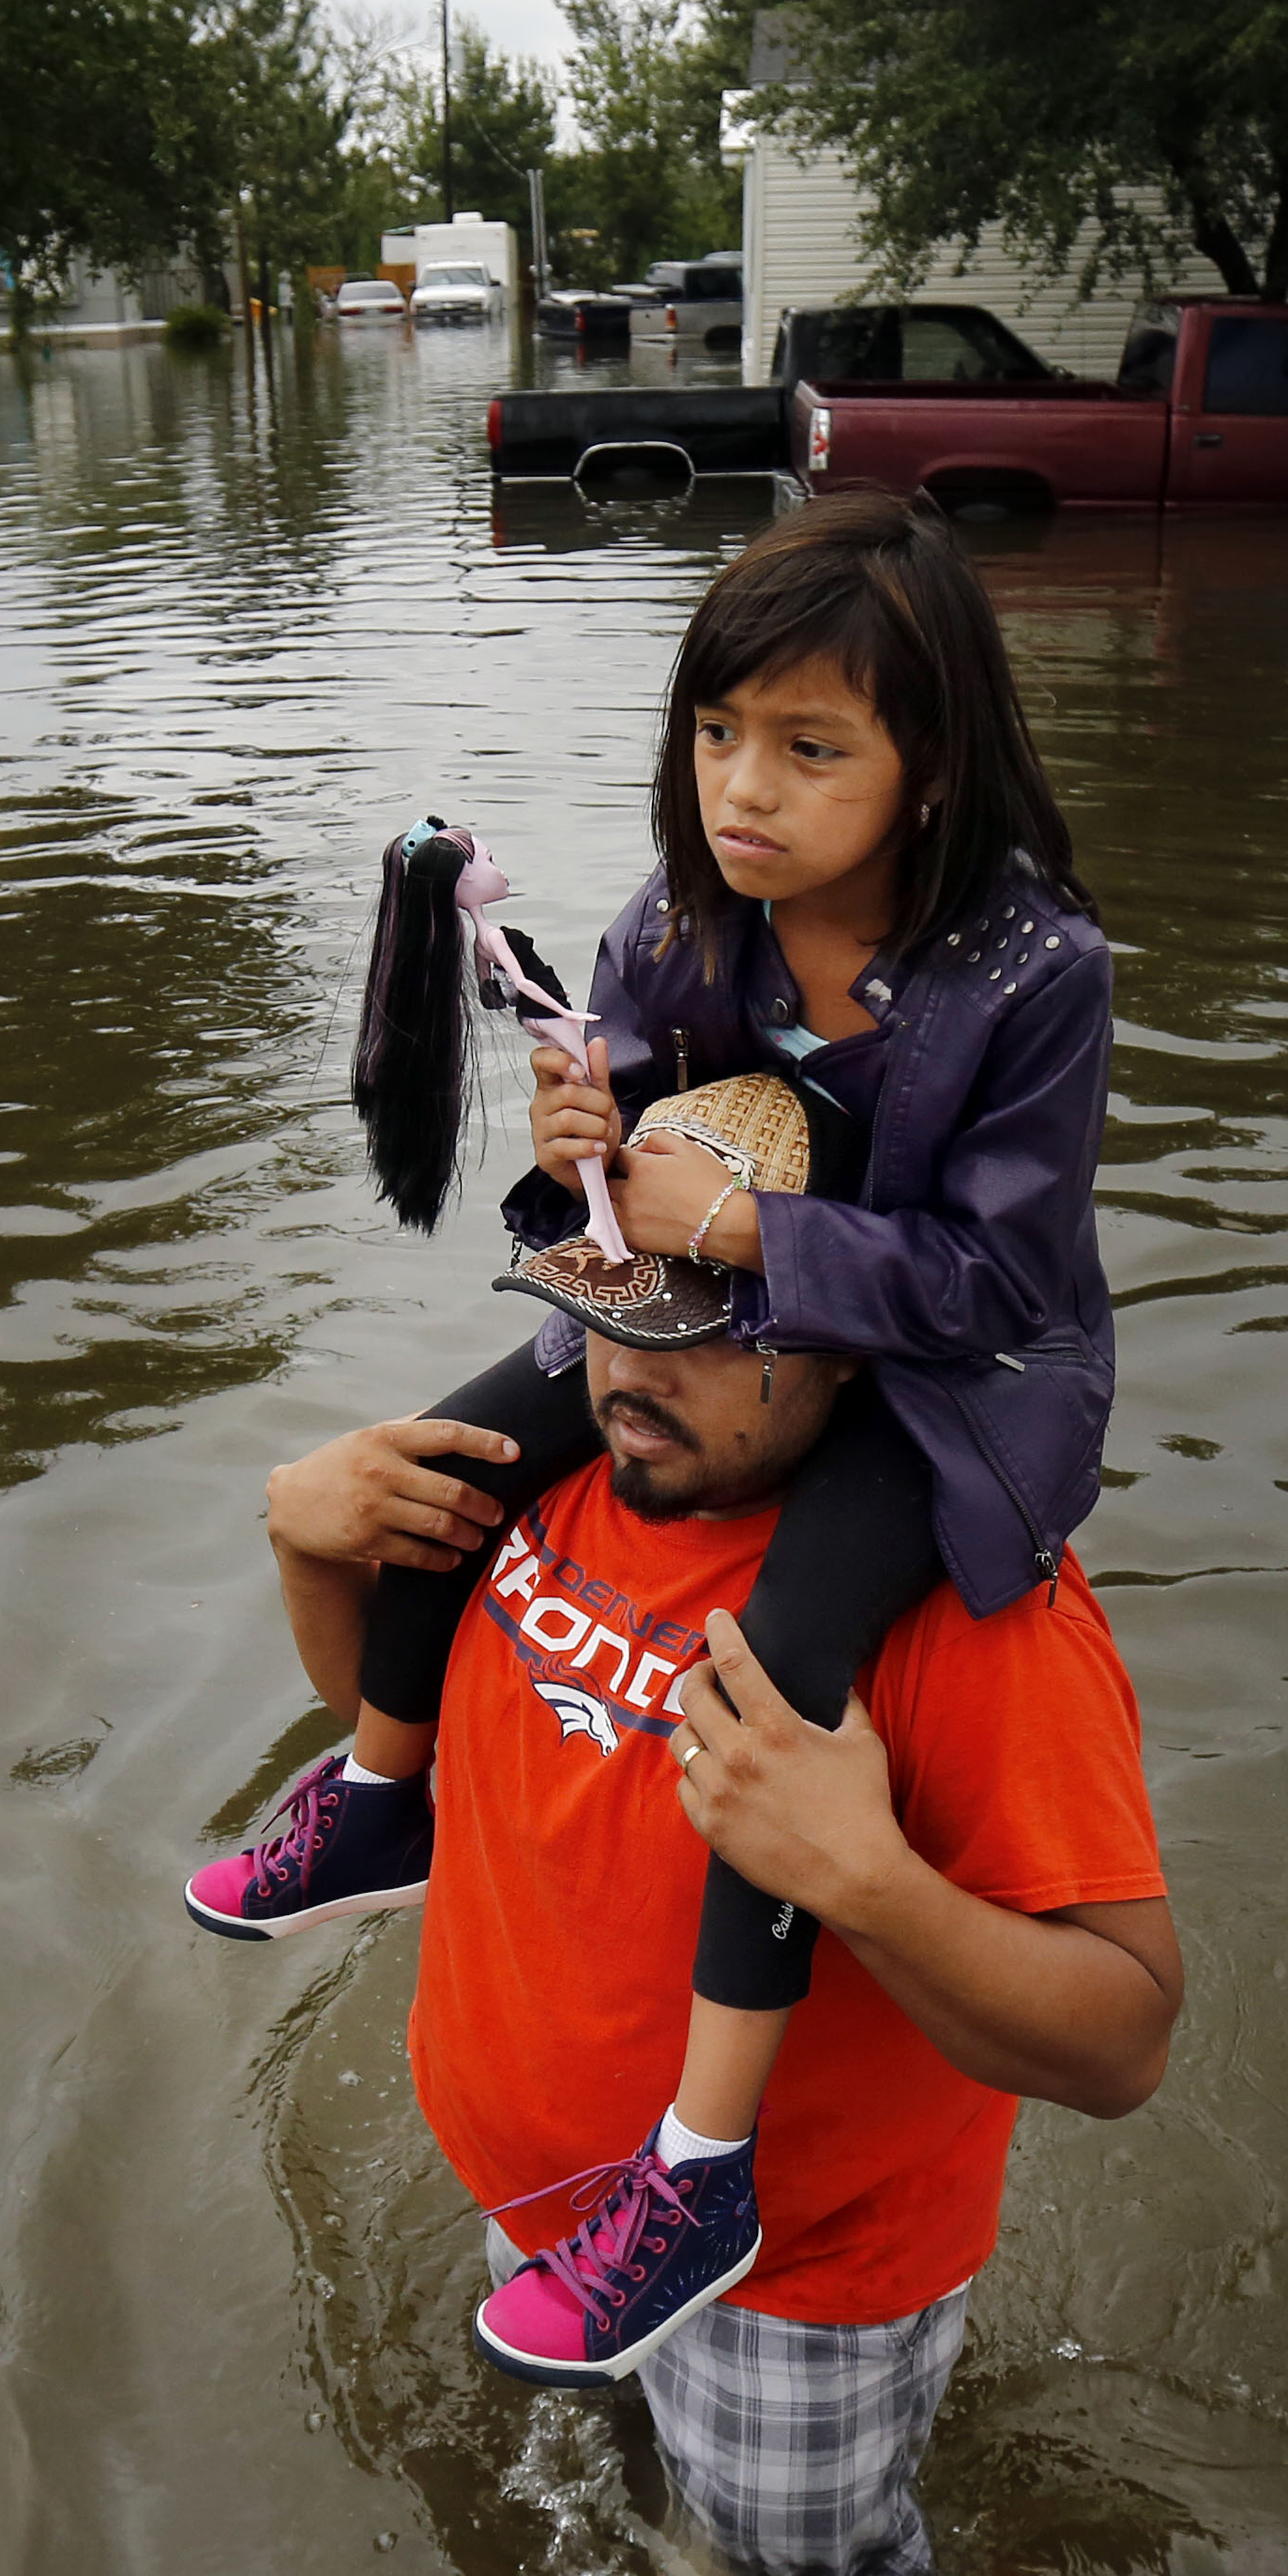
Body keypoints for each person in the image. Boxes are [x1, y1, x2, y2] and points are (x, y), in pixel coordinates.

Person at [189, 493, 1119, 2387]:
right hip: (696, 1318)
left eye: (808, 746)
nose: (743, 790)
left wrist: (751, 1230)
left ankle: (699, 2166)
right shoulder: (680, 920)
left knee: (772, 1689)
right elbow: (611, 1216)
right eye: (716, 735)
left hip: (928, 1383)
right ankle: (377, 1793)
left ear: (927, 772)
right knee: (429, 1470)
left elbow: (1002, 1286)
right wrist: (579, 1165)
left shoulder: (1032, 975)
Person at [251, 1193, 1175, 2576]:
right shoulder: (544, 1490)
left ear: (854, 1348)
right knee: (591, 2511)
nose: (628, 1375)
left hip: (793, 2286)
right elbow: (431, 1759)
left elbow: (1122, 2045)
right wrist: (310, 1549)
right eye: (608, 1318)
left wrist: (864, 1880)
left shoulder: (975, 1619)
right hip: (543, 2203)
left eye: (703, 1333)